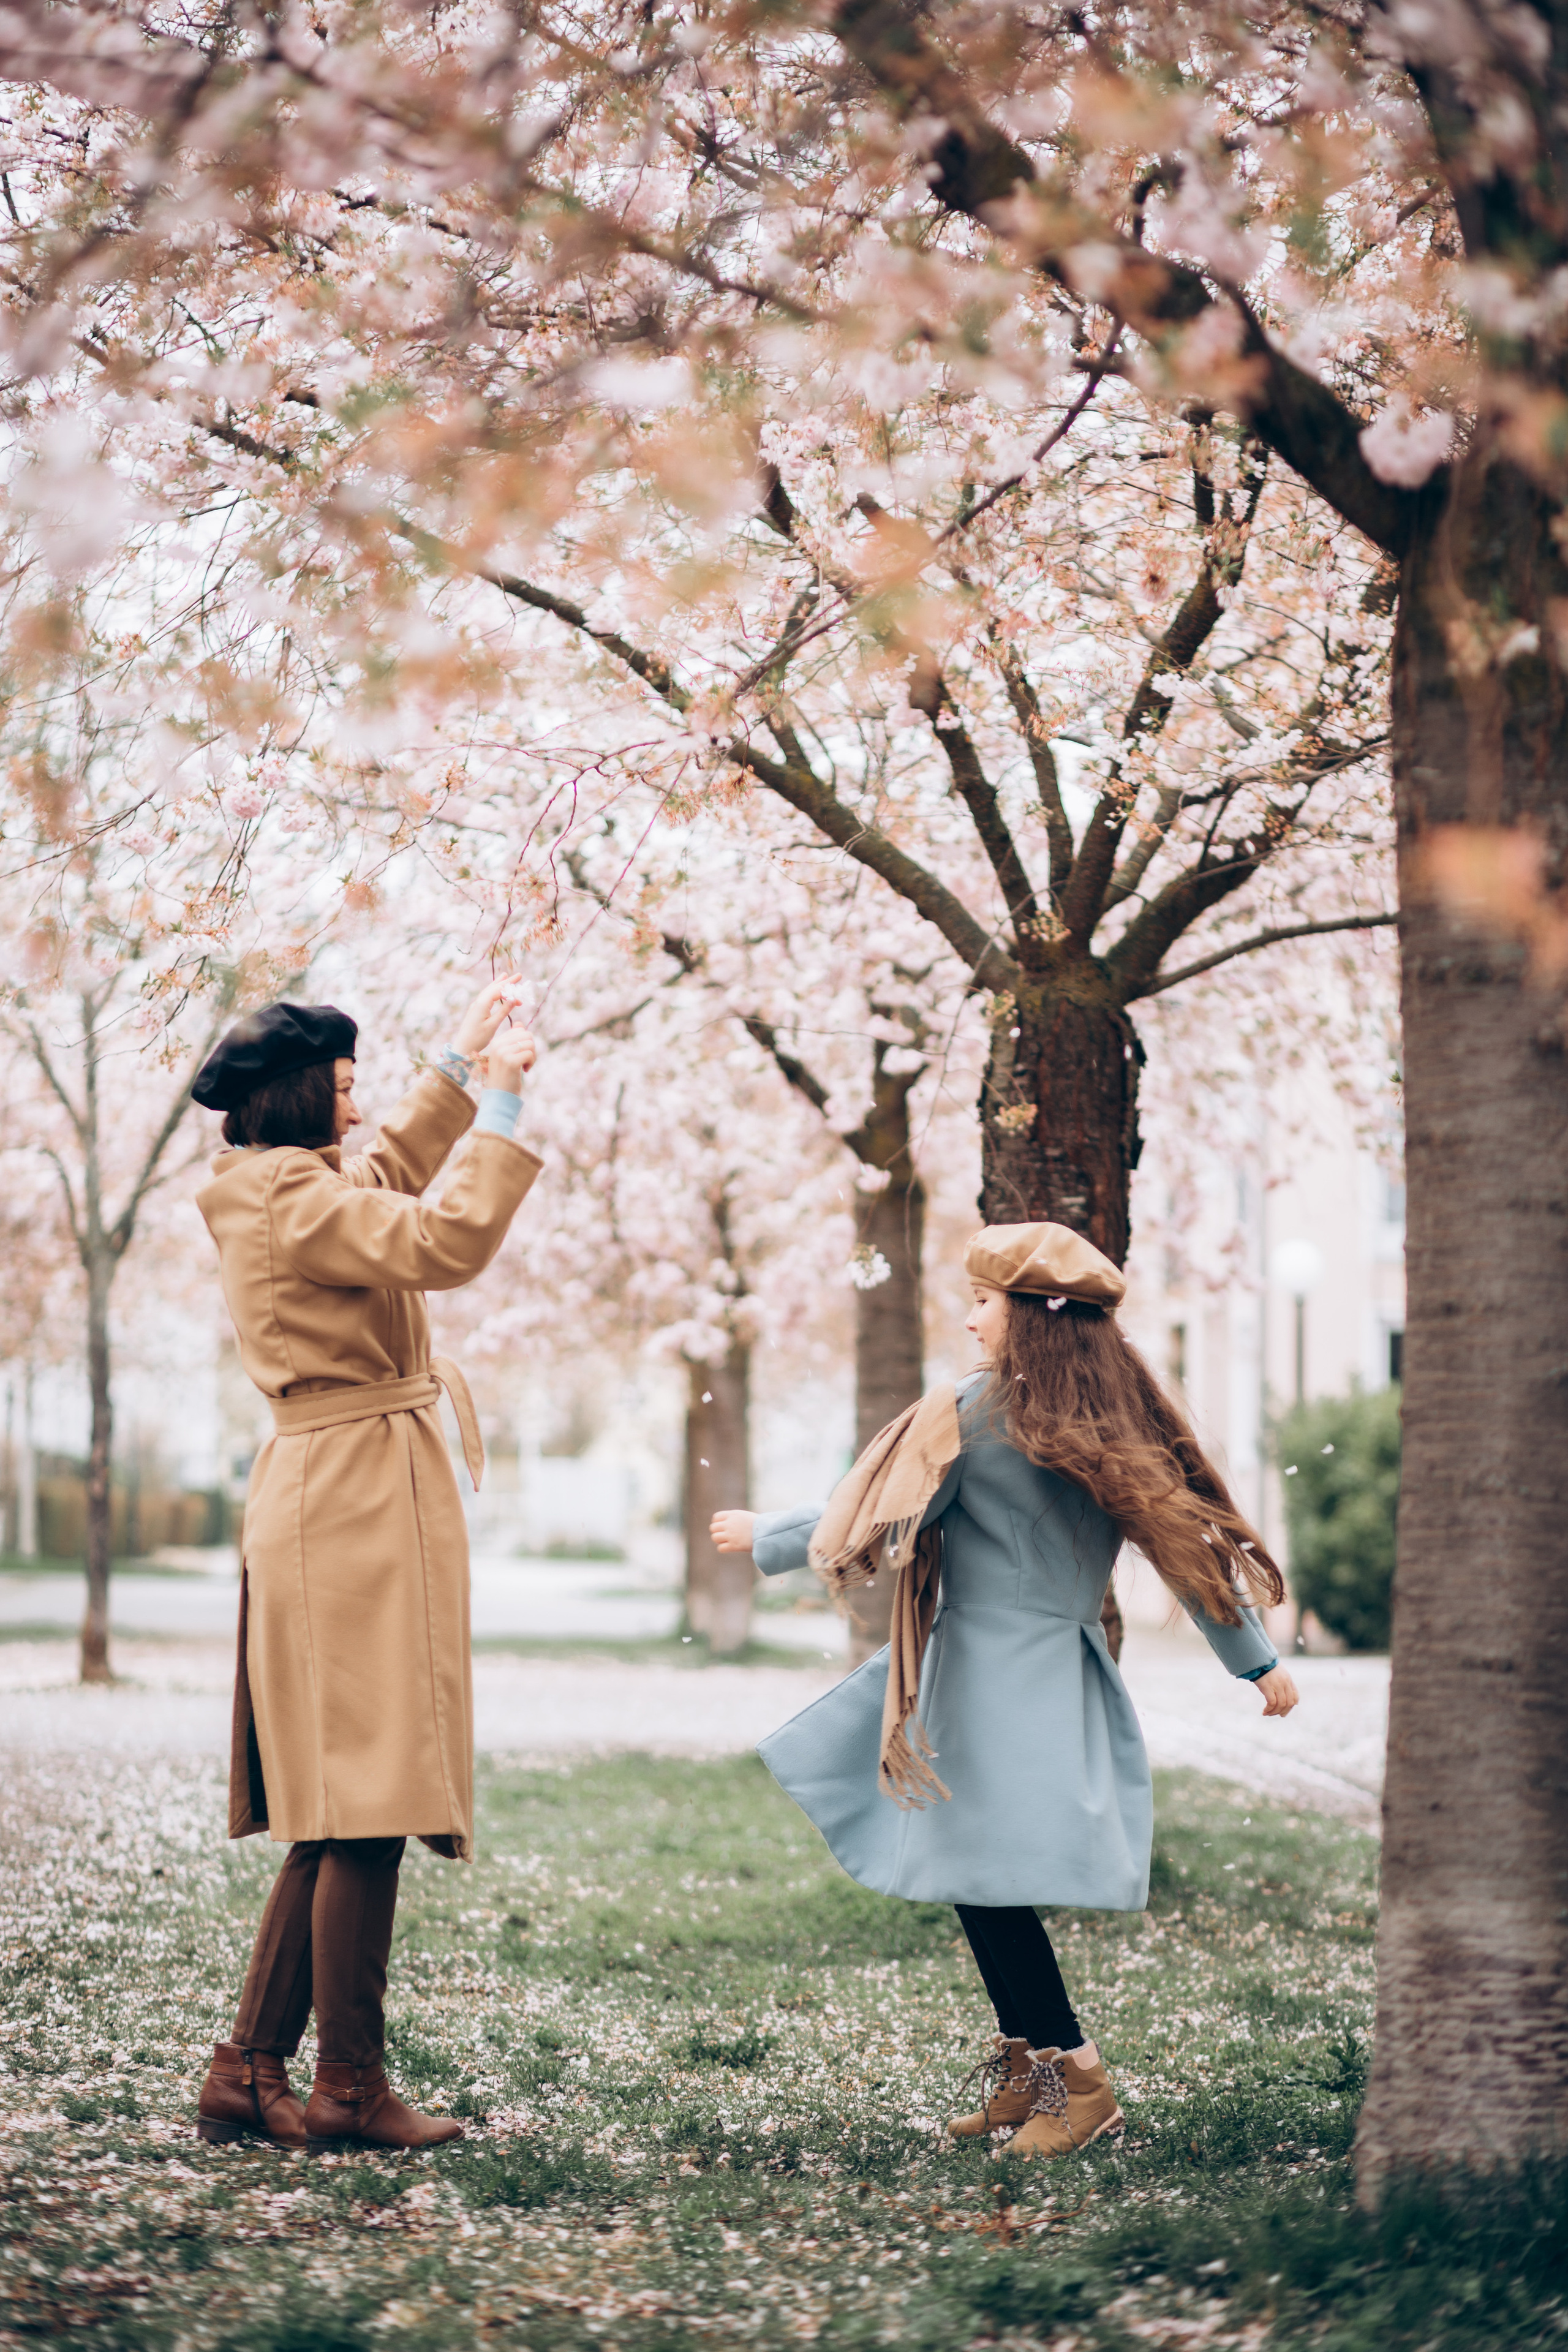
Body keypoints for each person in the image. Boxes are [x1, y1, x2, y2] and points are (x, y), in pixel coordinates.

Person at [711, 1220, 1299, 2162]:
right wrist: (1254, 1658)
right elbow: (1186, 1548)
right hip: (1052, 1676)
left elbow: (879, 1504)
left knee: (983, 1882)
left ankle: (1080, 2081)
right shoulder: (1119, 1419)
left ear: (1032, 1316)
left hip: (987, 1679)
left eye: (984, 1302)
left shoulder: (973, 1412)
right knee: (975, 1878)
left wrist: (771, 1535)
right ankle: (1030, 2071)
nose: (972, 1319)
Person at [189, 985, 541, 2155]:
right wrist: (504, 1105)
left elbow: (385, 1174)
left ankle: (250, 2071)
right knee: (365, 1800)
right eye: (342, 1088)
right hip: (348, 1503)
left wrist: (460, 1066)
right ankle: (345, 2086)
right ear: (299, 1096)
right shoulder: (291, 1198)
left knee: (344, 1808)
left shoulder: (289, 1189)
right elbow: (440, 1242)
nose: (356, 1107)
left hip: (347, 1491)